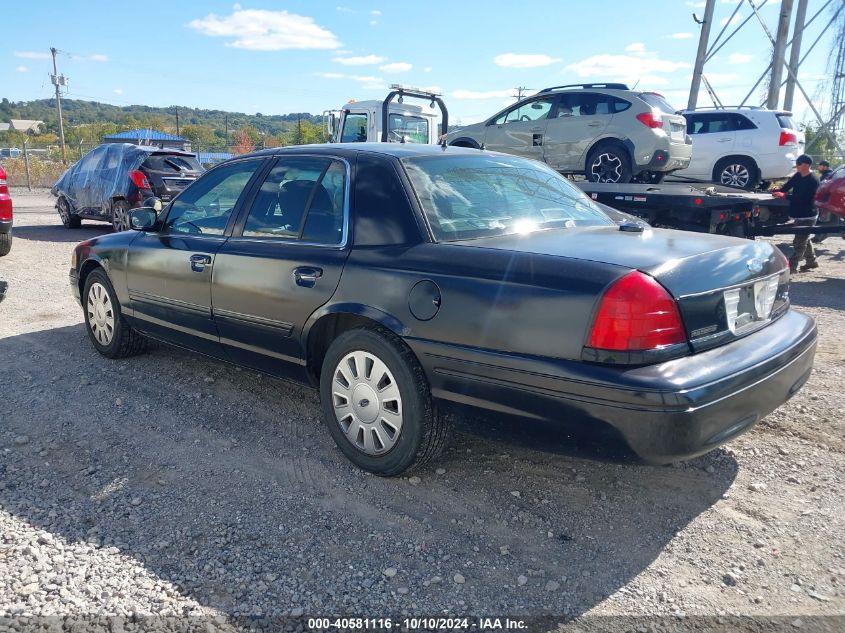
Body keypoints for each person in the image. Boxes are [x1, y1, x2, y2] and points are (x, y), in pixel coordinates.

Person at [772, 154, 820, 273]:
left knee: (799, 243)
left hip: (808, 215)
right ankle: (811, 261)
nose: (796, 166)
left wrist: (785, 196)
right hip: (799, 213)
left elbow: (802, 198)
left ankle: (792, 267)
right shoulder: (799, 175)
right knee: (804, 238)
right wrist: (778, 191)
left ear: (807, 165)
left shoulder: (813, 180)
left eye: (799, 163)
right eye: (797, 163)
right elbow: (788, 186)